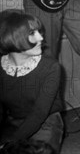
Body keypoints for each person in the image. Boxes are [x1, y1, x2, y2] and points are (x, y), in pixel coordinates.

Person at [0, 10, 63, 153]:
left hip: (46, 122)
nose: (41, 37)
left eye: (39, 32)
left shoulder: (50, 67)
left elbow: (40, 112)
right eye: (32, 33)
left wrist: (11, 142)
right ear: (13, 37)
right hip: (13, 122)